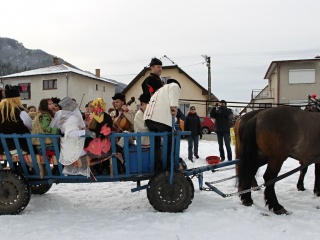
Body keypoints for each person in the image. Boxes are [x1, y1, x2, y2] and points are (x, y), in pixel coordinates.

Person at [50, 97, 95, 177]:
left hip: (64, 142)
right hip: (71, 143)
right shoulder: (74, 118)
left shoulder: (62, 115)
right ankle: (90, 170)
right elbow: (71, 133)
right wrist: (85, 132)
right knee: (89, 149)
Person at [144, 79, 181, 169]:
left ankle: (156, 164)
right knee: (171, 138)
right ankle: (169, 164)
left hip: (148, 120)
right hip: (159, 119)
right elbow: (173, 107)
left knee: (156, 141)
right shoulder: (173, 86)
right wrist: (174, 108)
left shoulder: (159, 91)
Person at [0, 85, 32, 155]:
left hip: (3, 147)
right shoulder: (20, 111)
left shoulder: (1, 111)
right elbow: (29, 124)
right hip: (21, 146)